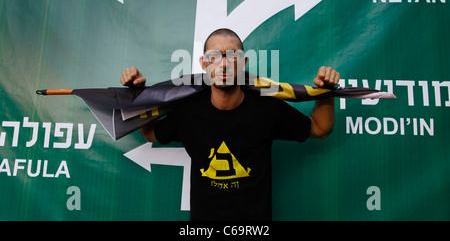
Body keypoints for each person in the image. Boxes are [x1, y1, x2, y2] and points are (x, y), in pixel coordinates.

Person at [120, 28, 340, 221]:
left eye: (232, 56)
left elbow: (321, 128)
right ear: (204, 64)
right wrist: (138, 94)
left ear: (243, 63)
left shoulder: (268, 109)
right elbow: (150, 133)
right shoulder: (188, 111)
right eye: (214, 57)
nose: (223, 64)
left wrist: (326, 91)